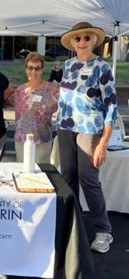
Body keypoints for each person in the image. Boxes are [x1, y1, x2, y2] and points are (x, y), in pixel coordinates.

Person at [56, 21, 118, 253]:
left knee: (88, 180)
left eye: (86, 38)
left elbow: (111, 107)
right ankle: (73, 224)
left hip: (90, 130)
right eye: (77, 38)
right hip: (65, 128)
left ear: (93, 40)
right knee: (67, 177)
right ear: (72, 42)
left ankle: (104, 231)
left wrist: (103, 142)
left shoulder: (102, 68)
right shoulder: (68, 64)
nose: (82, 42)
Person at [11, 52, 59, 163]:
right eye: (30, 68)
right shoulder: (19, 91)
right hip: (21, 140)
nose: (33, 72)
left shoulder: (52, 90)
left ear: (42, 69)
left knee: (41, 175)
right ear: (25, 69)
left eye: (37, 68)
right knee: (22, 174)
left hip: (41, 141)